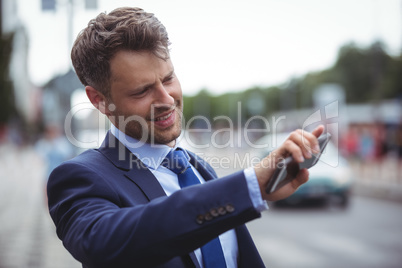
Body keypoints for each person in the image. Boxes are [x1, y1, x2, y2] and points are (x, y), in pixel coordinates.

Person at [47, 7, 324, 268]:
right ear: (99, 100)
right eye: (142, 91)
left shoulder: (198, 168)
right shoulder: (78, 178)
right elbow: (107, 242)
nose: (166, 100)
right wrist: (250, 186)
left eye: (168, 79)